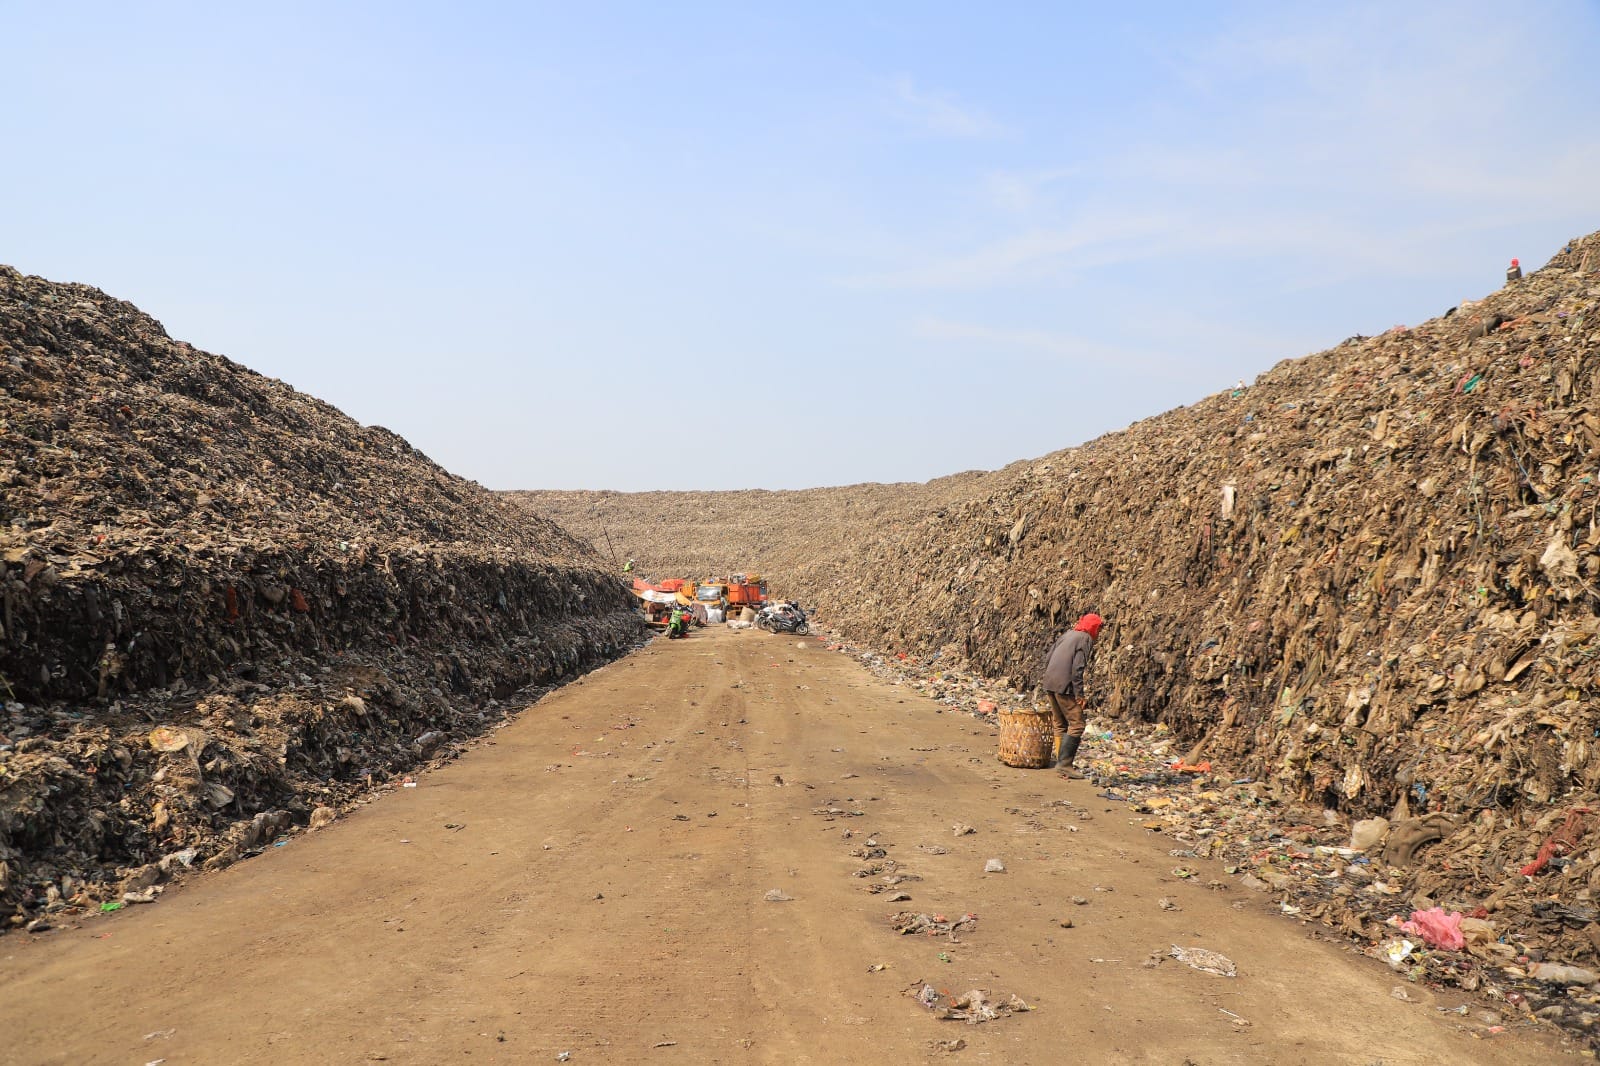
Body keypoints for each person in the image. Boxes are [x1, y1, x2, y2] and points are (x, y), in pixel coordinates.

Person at [1040, 613, 1104, 778]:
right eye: (1098, 629)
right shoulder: (1085, 639)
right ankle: (1065, 764)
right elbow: (1077, 668)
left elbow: (1048, 657)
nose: (1098, 633)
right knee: (1077, 723)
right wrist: (1079, 694)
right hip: (1064, 685)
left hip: (1049, 682)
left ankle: (1059, 761)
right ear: (1093, 628)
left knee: (1060, 723)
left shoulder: (1068, 634)